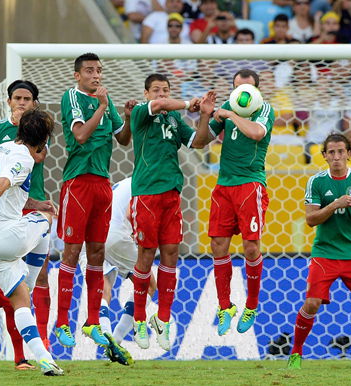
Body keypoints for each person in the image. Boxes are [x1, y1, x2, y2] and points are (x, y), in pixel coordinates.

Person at [0, 110, 63, 376]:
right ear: (44, 140)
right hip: (6, 237)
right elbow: (4, 182)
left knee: (20, 300)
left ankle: (45, 359)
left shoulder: (3, 147)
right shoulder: (25, 159)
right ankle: (32, 280)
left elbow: (15, 196)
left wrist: (36, 203)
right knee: (47, 217)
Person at [130, 74, 215, 351]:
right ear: (146, 94)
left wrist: (204, 115)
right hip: (145, 194)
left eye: (166, 90)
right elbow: (158, 106)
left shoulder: (174, 120)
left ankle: (162, 319)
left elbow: (199, 142)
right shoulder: (141, 114)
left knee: (170, 255)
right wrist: (187, 102)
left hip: (171, 196)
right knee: (145, 255)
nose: (162, 94)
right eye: (156, 90)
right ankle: (139, 318)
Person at [287, 133, 351, 371]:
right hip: (324, 254)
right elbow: (311, 220)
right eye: (331, 152)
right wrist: (334, 205)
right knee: (311, 304)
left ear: (349, 154)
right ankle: (295, 353)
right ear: (324, 156)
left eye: (341, 151)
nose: (336, 157)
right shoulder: (317, 182)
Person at [55, 52, 135, 349]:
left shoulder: (106, 101)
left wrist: (126, 118)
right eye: (89, 70)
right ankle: (62, 321)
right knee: (72, 252)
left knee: (98, 253)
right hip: (78, 182)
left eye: (99, 70)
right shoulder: (72, 97)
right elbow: (80, 135)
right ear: (78, 75)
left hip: (102, 182)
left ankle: (91, 322)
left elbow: (123, 140)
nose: (96, 75)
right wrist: (102, 106)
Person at [0, 79, 53, 353]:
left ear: (34, 103)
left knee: (42, 273)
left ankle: (42, 336)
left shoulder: (39, 131)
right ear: (9, 101)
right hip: (3, 206)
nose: (21, 102)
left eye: (26, 99)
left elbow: (38, 158)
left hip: (32, 201)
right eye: (16, 98)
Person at [206, 69, 274, 336]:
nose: (241, 95)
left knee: (250, 246)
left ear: (257, 90)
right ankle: (225, 306)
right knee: (218, 244)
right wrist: (204, 114)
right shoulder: (225, 107)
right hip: (224, 185)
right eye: (236, 89)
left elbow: (257, 133)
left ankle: (252, 305)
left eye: (247, 89)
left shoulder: (265, 109)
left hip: (250, 184)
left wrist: (231, 115)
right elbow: (201, 142)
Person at [77, 177, 157, 365]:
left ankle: (109, 339)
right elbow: (133, 212)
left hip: (90, 233)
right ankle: (119, 337)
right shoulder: (145, 182)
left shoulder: (124, 183)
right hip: (114, 234)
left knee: (103, 289)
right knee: (149, 284)